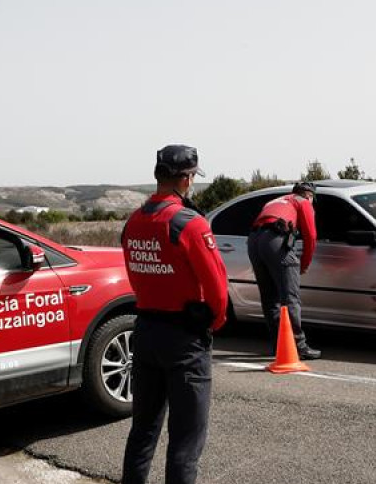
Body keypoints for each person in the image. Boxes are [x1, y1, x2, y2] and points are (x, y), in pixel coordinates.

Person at [121, 144, 228, 484]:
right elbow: (217, 290)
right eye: (193, 177)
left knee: (143, 432)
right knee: (185, 442)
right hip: (183, 339)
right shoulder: (189, 223)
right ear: (185, 179)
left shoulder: (134, 221)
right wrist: (211, 324)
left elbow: (135, 275)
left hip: (147, 330)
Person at [247, 181, 321, 360]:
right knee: (290, 297)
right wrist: (304, 264)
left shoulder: (275, 201)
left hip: (254, 241)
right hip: (275, 240)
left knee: (269, 297)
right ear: (309, 196)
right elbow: (311, 236)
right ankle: (298, 345)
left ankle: (278, 345)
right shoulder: (303, 202)